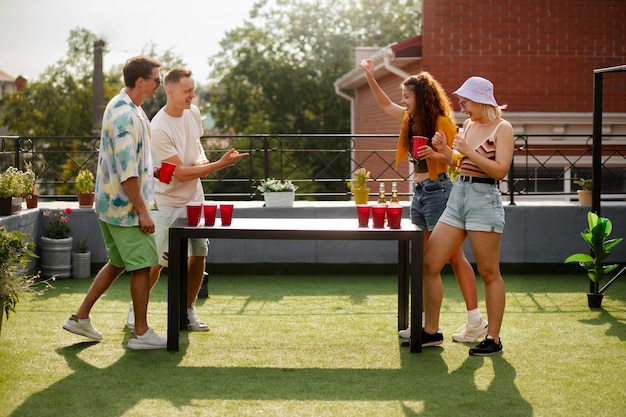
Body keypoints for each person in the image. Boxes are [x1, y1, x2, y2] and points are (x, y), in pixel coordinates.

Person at [358, 59, 487, 345]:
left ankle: (473, 321)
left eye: (407, 97)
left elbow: (457, 158)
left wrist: (436, 153)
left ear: (422, 97)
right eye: (403, 97)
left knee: (453, 258)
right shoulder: (410, 120)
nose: (403, 102)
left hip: (439, 190)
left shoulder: (441, 121)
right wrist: (369, 75)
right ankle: (430, 325)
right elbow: (384, 105)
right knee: (428, 262)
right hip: (419, 194)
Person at [124, 66, 248, 332]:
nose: (193, 95)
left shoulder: (193, 113)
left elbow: (196, 148)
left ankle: (188, 311)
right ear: (170, 91)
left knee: (199, 253)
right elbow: (180, 174)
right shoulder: (158, 128)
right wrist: (220, 164)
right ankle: (136, 310)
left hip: (195, 199)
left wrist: (204, 160)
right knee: (157, 262)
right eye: (187, 90)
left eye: (193, 89)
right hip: (167, 203)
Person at [63, 56, 167, 350]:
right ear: (141, 81)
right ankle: (141, 333)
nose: (159, 84)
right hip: (126, 209)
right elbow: (126, 171)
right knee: (145, 264)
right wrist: (144, 212)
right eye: (156, 79)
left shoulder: (131, 108)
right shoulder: (124, 115)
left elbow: (132, 160)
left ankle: (80, 317)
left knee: (119, 262)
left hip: (112, 205)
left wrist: (154, 172)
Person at [424, 76, 514, 355]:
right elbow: (459, 163)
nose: (462, 107)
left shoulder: (503, 128)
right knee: (430, 263)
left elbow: (500, 171)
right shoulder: (469, 125)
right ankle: (430, 332)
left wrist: (467, 152)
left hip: (484, 200)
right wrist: (444, 151)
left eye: (465, 102)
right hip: (458, 197)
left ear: (480, 101)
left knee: (488, 272)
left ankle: (493, 339)